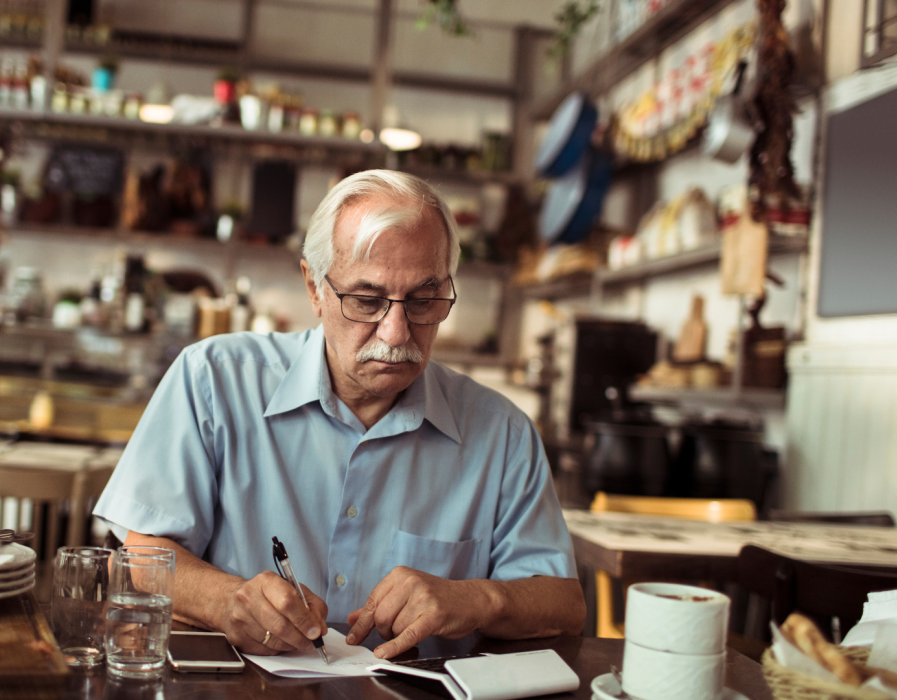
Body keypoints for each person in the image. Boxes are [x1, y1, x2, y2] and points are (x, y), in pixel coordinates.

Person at [94, 170, 584, 660]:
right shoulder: (215, 380)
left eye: (423, 300)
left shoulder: (502, 433)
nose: (395, 333)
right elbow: (144, 552)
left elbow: (563, 605)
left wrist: (477, 599)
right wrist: (227, 602)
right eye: (367, 301)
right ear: (314, 288)